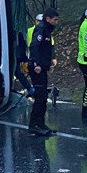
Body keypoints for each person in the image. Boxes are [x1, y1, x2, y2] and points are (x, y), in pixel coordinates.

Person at [28, 7, 59, 136]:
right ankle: (34, 125)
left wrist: (48, 64)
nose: (56, 22)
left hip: (42, 66)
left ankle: (40, 123)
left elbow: (46, 49)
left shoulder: (47, 30)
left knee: (43, 97)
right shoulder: (41, 29)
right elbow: (34, 46)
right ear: (48, 19)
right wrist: (36, 64)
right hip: (36, 67)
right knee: (40, 97)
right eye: (55, 19)